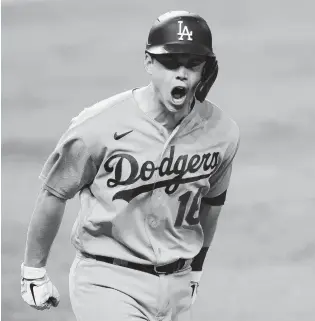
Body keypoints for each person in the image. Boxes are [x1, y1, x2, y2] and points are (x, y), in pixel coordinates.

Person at [21, 10, 240, 321]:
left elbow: (211, 203)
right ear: (149, 62)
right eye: (170, 63)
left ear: (205, 69)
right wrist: (33, 270)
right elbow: (54, 192)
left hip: (177, 286)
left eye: (192, 65)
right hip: (107, 281)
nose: (181, 74)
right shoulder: (96, 126)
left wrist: (196, 271)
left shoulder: (222, 132)